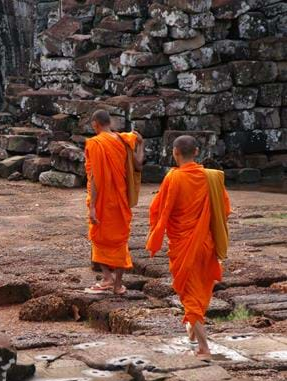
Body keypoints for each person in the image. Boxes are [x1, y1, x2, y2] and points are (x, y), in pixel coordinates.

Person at [146, 135, 231, 360]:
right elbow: (225, 209)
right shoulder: (211, 178)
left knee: (191, 298)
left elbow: (159, 210)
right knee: (199, 291)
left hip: (184, 246)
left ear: (174, 153)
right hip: (206, 243)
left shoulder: (173, 178)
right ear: (196, 152)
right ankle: (193, 332)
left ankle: (204, 347)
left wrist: (155, 235)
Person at [84, 110, 144, 295]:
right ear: (109, 122)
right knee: (120, 240)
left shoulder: (95, 143)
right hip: (120, 199)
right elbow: (139, 165)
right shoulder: (125, 140)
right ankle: (116, 283)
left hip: (103, 199)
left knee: (97, 236)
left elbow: (95, 177)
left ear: (95, 124)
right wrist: (141, 144)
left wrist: (93, 206)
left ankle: (107, 277)